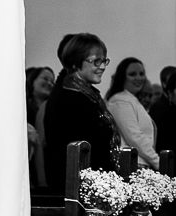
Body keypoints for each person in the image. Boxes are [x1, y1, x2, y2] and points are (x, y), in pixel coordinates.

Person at [44, 33, 119, 194]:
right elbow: (84, 148)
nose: (102, 67)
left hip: (89, 184)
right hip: (77, 187)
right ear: (75, 62)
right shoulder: (72, 98)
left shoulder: (84, 94)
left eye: (104, 60)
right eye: (96, 61)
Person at [105, 57, 160, 170]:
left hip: (139, 164)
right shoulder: (121, 100)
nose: (138, 78)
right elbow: (134, 137)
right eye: (132, 74)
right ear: (122, 77)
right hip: (131, 166)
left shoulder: (130, 99)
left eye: (141, 74)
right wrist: (157, 161)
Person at [26, 66, 55, 189]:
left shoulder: (50, 110)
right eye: (45, 79)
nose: (49, 83)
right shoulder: (24, 108)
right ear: (32, 80)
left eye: (52, 81)